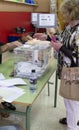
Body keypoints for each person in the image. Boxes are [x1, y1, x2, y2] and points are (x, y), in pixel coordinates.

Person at [50, 0, 79, 130]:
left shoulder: (78, 31)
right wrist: (47, 38)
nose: (62, 14)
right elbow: (61, 38)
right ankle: (72, 119)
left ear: (72, 12)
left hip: (74, 72)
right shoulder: (69, 27)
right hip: (67, 70)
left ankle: (72, 126)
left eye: (64, 12)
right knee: (72, 99)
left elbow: (76, 56)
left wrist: (61, 48)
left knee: (71, 101)